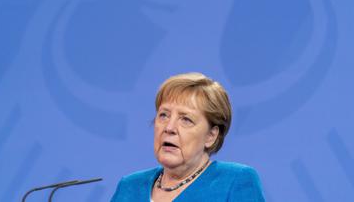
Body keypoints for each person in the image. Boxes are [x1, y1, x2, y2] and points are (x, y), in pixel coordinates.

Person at [111, 72, 265, 201]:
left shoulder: (235, 181)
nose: (169, 128)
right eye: (164, 115)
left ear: (211, 136)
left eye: (186, 119)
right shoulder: (129, 187)